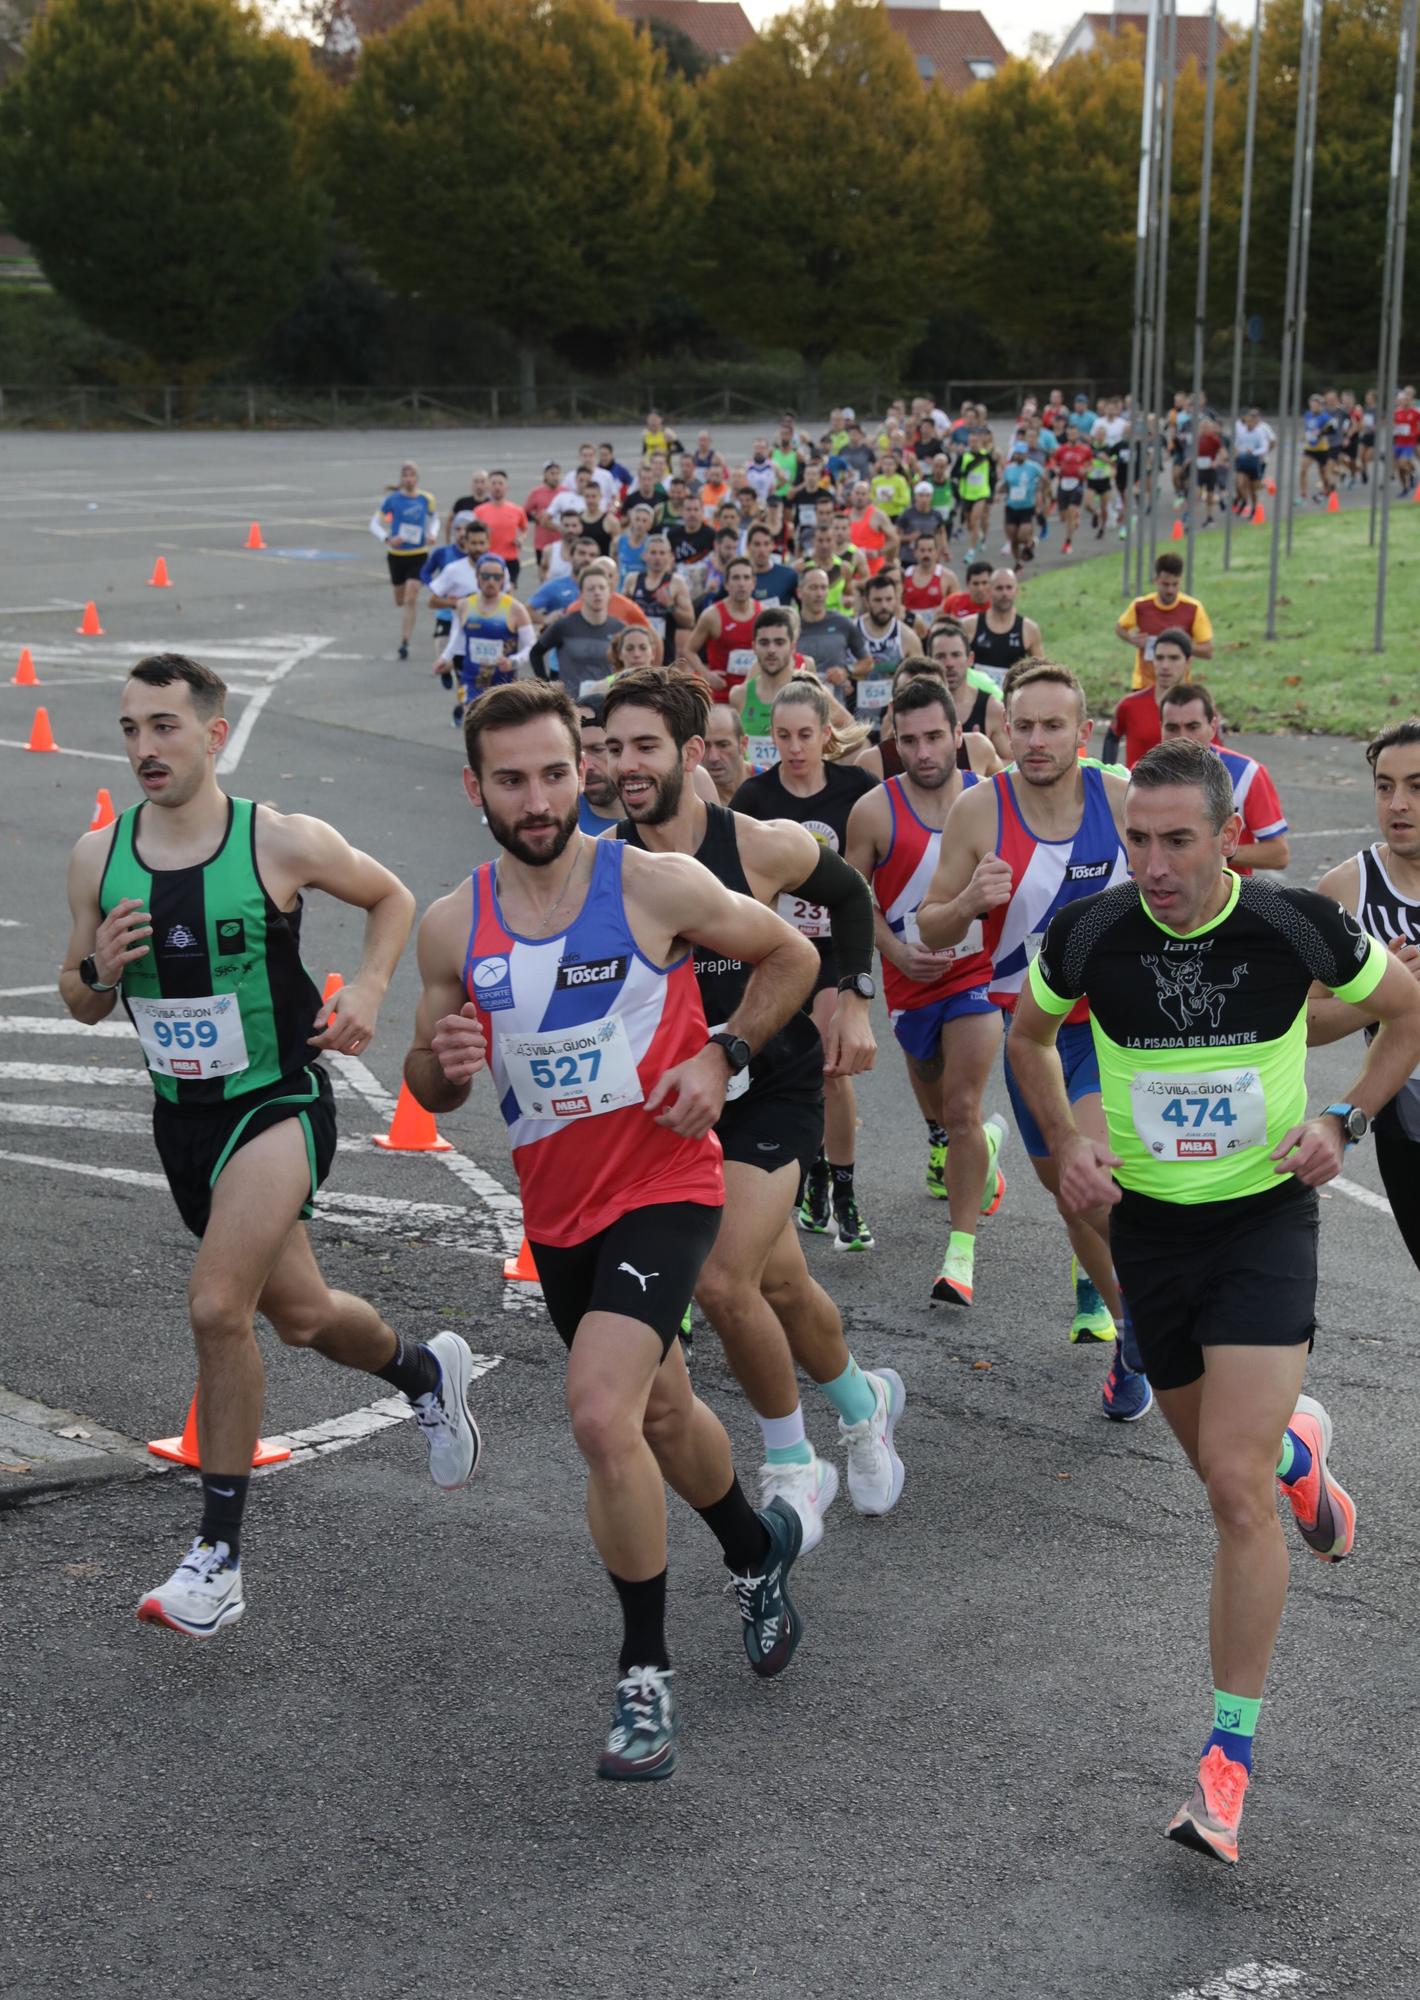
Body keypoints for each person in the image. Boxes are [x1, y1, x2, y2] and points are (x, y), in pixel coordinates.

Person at [1007, 737, 1420, 1865]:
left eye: (1176, 839)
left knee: (1230, 1493)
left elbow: (1408, 1010)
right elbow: (1030, 1035)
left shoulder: (1292, 924)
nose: (1152, 861)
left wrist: (1343, 1122)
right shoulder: (1092, 932)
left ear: (1226, 836)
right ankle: (1297, 1448)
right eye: (1137, 837)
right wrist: (1066, 1142)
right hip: (1152, 1231)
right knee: (1223, 1466)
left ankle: (1225, 1758)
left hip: (1262, 1220)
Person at [405, 678, 817, 1782]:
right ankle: (754, 1547)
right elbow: (427, 1076)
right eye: (511, 778)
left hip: (668, 1184)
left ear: (578, 770)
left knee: (598, 1412)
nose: (538, 798)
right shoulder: (455, 923)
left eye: (553, 772)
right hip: (559, 1212)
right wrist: (437, 1071)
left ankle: (644, 1676)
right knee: (664, 1409)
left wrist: (722, 1052)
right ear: (476, 787)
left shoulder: (653, 883)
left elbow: (795, 957)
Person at [59, 655, 478, 1639]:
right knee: (299, 1313)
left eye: (164, 726)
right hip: (182, 1119)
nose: (143, 748)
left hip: (277, 1099)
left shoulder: (277, 841)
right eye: (129, 729)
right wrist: (96, 967)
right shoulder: (96, 856)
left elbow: (390, 896)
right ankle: (425, 1373)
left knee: (216, 1305)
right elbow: (79, 999)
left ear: (213, 732)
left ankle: (219, 1556)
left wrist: (371, 988)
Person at [606, 666, 901, 1553]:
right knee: (781, 1284)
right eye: (611, 747)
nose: (624, 764)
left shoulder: (759, 846)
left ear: (692, 754)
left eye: (645, 746)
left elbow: (847, 894)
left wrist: (852, 993)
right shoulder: (604, 865)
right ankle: (864, 1405)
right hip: (673, 1102)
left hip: (769, 1083)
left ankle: (792, 1463)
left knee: (724, 1279)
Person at [917, 664, 1149, 1386]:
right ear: (1004, 730)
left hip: (1121, 1028)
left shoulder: (1120, 799)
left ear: (1083, 733)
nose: (1039, 740)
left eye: (1055, 726)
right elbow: (929, 926)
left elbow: (1184, 879)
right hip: (1032, 1033)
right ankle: (1131, 1333)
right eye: (1025, 726)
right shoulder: (979, 813)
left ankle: (1152, 1320)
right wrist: (968, 904)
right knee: (1070, 1194)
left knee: (1099, 1178)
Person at [846, 678, 1007, 1305]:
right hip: (909, 976)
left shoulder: (990, 801)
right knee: (928, 1068)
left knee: (965, 1105)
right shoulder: (874, 811)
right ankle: (959, 1140)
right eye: (909, 740)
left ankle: (959, 1255)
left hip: (978, 973)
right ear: (895, 741)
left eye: (935, 737)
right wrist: (895, 953)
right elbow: (852, 898)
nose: (924, 752)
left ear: (958, 736)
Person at [731, 680, 878, 1251]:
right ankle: (809, 1170)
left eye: (806, 735)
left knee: (830, 1061)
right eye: (783, 736)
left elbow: (875, 860)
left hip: (837, 948)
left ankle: (841, 1189)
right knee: (786, 1061)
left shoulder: (855, 789)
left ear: (826, 734)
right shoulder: (754, 797)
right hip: (779, 949)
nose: (794, 748)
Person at [1307, 717, 1420, 1271]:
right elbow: (1301, 1021)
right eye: (1385, 786)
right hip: (1406, 1117)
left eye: (1417, 787)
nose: (1398, 803)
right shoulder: (1349, 889)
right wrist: (1379, 999)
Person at [1159, 684, 1290, 875]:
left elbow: (1278, 854)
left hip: (1227, 899)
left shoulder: (1247, 773)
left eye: (1192, 727)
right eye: (1172, 728)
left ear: (1212, 726)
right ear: (1160, 728)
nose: (1183, 737)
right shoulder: (1140, 775)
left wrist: (1214, 850)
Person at [440, 555, 533, 729]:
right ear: (477, 577)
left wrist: (513, 661)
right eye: (486, 576)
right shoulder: (464, 605)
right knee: (472, 725)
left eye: (497, 577)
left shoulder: (515, 609)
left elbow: (530, 646)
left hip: (503, 682)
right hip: (472, 679)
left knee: (499, 729)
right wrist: (445, 658)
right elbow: (457, 637)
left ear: (503, 579)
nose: (491, 581)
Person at [1103, 627, 1201, 769]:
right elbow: (1112, 738)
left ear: (1188, 661)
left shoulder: (1201, 708)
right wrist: (1108, 774)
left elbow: (1217, 754)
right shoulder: (1130, 705)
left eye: (1174, 658)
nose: (1165, 666)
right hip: (1138, 789)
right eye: (1159, 658)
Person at [1116, 552, 1215, 689]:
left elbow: (1208, 651)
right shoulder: (1141, 606)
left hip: (1179, 688)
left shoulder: (1193, 608)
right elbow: (1119, 628)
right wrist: (1131, 638)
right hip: (1144, 685)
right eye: (1165, 584)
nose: (1170, 590)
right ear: (1156, 580)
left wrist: (1180, 646)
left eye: (1175, 584)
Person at [375, 461, 439, 662]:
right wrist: (387, 538)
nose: (408, 479)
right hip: (397, 556)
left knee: (411, 597)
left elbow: (435, 518)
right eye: (405, 476)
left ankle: (405, 642)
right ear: (401, 479)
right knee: (400, 600)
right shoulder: (392, 500)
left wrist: (432, 533)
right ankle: (405, 628)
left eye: (412, 475)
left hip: (418, 554)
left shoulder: (426, 499)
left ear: (417, 478)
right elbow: (374, 523)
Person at [530, 568, 626, 690]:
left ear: (610, 592)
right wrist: (546, 685)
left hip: (606, 701)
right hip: (571, 703)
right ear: (581, 594)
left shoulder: (620, 629)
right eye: (591, 589)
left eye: (602, 588)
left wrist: (614, 684)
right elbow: (535, 653)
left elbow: (626, 667)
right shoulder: (564, 625)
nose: (597, 592)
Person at [850, 571, 922, 728]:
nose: (884, 606)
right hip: (853, 719)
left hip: (892, 721)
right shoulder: (851, 631)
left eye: (889, 599)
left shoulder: (907, 637)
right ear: (866, 601)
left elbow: (920, 683)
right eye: (877, 600)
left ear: (896, 600)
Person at [687, 557, 761, 695]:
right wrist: (706, 674)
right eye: (736, 578)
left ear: (753, 583)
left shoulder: (763, 614)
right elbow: (689, 650)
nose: (741, 583)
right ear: (726, 584)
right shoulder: (712, 615)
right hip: (721, 695)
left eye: (746, 578)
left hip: (752, 694)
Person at [961, 569, 1043, 683]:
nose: (1005, 593)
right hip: (977, 698)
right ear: (989, 591)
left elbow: (1040, 673)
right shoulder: (969, 625)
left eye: (1009, 588)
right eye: (999, 588)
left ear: (1016, 591)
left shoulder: (1029, 629)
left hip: (1009, 698)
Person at [626, 533, 694, 662]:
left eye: (662, 553)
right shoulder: (632, 580)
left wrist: (670, 605)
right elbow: (621, 616)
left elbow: (689, 621)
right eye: (653, 553)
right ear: (644, 555)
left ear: (670, 557)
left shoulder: (677, 583)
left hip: (664, 653)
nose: (657, 557)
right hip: (635, 653)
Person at [574, 693, 621, 834]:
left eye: (597, 750)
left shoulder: (663, 819)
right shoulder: (562, 824)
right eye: (576, 753)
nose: (586, 766)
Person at [473, 471, 527, 587]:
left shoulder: (517, 510)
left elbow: (524, 528)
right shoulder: (479, 511)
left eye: (500, 484)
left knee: (508, 594)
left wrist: (521, 538)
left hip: (510, 559)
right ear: (488, 487)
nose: (497, 487)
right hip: (487, 559)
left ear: (506, 487)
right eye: (494, 484)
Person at [1001, 442, 1046, 567]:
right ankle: (1017, 562)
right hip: (1011, 506)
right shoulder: (1009, 469)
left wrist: (1042, 496)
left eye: (1021, 453)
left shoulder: (1033, 467)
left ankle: (1031, 542)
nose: (1019, 456)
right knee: (1013, 538)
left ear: (1026, 454)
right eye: (1017, 453)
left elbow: (1045, 479)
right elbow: (1005, 485)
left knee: (1022, 535)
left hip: (1027, 506)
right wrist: (999, 492)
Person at [703, 701, 750, 804]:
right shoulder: (689, 794)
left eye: (723, 745)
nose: (713, 757)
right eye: (705, 746)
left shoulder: (771, 784)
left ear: (743, 744)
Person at [1232, 408, 1275, 517]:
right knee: (1240, 483)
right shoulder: (1241, 430)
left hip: (1256, 461)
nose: (1250, 422)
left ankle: (1254, 507)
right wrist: (1237, 452)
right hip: (1242, 460)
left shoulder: (1262, 430)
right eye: (1249, 419)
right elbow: (1236, 444)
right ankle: (1244, 501)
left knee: (1253, 488)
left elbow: (1267, 444)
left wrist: (1256, 452)